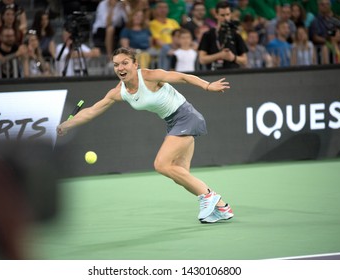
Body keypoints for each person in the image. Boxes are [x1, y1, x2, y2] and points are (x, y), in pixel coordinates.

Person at [57, 47, 234, 224]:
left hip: (186, 117)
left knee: (161, 164)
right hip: (173, 123)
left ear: (135, 64)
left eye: (125, 63)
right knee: (181, 175)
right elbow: (92, 110)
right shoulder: (119, 92)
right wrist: (67, 124)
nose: (120, 68)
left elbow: (182, 77)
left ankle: (208, 195)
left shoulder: (149, 76)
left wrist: (207, 85)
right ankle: (222, 208)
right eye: (116, 65)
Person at [198, 1, 248, 70]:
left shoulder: (236, 34)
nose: (226, 18)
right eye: (222, 15)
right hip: (213, 74)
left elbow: (244, 60)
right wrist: (220, 55)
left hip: (234, 74)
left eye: (228, 14)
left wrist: (233, 57)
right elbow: (202, 59)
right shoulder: (208, 35)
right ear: (216, 15)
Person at [149, 1, 180, 70]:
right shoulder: (152, 24)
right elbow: (157, 40)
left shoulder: (173, 22)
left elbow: (180, 35)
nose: (163, 9)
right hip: (161, 49)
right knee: (166, 51)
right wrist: (169, 49)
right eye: (160, 7)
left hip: (175, 47)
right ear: (155, 10)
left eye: (165, 7)